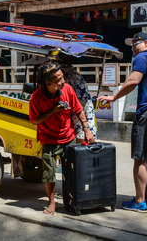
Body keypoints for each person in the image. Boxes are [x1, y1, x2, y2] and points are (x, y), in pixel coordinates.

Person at [97, 32, 147, 214]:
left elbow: (133, 81)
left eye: (135, 44)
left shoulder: (144, 56)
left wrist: (114, 97)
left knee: (140, 158)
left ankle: (140, 201)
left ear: (146, 42)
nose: (133, 49)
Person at [29, 62, 95, 215]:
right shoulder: (36, 98)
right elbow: (34, 120)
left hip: (68, 138)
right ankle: (51, 203)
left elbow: (79, 109)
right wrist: (53, 110)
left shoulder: (68, 89)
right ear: (48, 83)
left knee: (72, 172)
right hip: (49, 139)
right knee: (49, 173)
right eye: (59, 79)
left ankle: (72, 199)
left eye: (62, 77)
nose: (63, 81)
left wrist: (87, 130)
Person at [58, 56, 97, 142]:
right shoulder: (66, 72)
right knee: (83, 129)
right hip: (81, 101)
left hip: (80, 102)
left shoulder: (63, 70)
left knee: (81, 129)